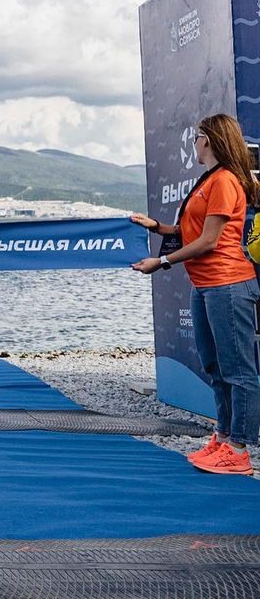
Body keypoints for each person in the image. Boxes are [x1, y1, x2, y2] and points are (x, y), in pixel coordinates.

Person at [132, 113, 260, 476]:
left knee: (239, 371)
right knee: (215, 367)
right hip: (206, 287)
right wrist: (157, 226)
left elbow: (209, 241)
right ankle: (223, 435)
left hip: (229, 285)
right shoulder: (208, 180)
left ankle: (239, 449)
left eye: (197, 136)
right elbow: (191, 230)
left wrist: (163, 261)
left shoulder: (225, 182)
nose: (194, 142)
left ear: (210, 140)